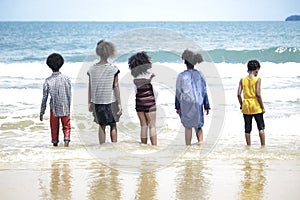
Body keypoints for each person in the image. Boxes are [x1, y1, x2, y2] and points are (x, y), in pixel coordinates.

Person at [87, 40, 122, 144]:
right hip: (111, 102)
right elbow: (116, 86)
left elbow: (90, 87)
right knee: (113, 125)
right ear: (110, 53)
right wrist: (119, 104)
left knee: (101, 126)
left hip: (97, 102)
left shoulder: (91, 69)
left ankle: (102, 148)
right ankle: (114, 147)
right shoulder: (113, 69)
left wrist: (89, 102)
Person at [175, 49, 210, 145]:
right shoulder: (200, 74)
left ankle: (188, 146)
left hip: (186, 103)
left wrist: (177, 106)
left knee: (188, 126)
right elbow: (204, 91)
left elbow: (178, 92)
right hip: (198, 102)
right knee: (198, 126)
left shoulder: (181, 76)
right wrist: (207, 105)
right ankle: (200, 144)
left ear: (185, 62)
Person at [40, 53, 71, 147]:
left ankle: (55, 145)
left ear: (49, 66)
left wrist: (42, 112)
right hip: (65, 107)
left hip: (53, 108)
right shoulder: (66, 79)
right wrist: (68, 106)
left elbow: (44, 98)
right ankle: (66, 144)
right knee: (66, 126)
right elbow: (69, 94)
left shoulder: (48, 81)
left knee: (54, 127)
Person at [128, 51, 157, 145]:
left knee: (143, 125)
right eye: (149, 59)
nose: (151, 60)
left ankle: (143, 145)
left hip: (139, 102)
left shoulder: (135, 77)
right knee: (152, 126)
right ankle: (154, 146)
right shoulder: (151, 75)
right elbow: (156, 91)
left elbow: (136, 91)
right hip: (150, 102)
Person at [237, 60, 266, 146]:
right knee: (261, 127)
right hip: (256, 106)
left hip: (246, 106)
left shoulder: (242, 80)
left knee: (247, 129)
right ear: (256, 69)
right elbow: (258, 94)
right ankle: (263, 146)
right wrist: (262, 107)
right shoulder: (257, 79)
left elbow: (238, 94)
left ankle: (248, 146)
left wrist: (241, 105)